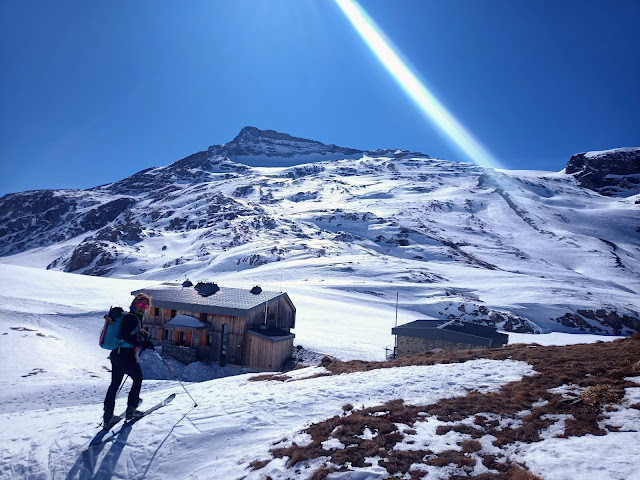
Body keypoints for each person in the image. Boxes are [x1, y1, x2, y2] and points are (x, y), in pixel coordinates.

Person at [103, 293, 155, 426]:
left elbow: (130, 333)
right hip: (125, 355)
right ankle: (131, 410)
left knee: (114, 385)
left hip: (117, 354)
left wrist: (142, 338)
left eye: (146, 305)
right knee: (138, 379)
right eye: (140, 304)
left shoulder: (132, 316)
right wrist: (140, 344)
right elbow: (124, 335)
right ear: (134, 304)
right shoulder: (132, 318)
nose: (143, 307)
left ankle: (108, 416)